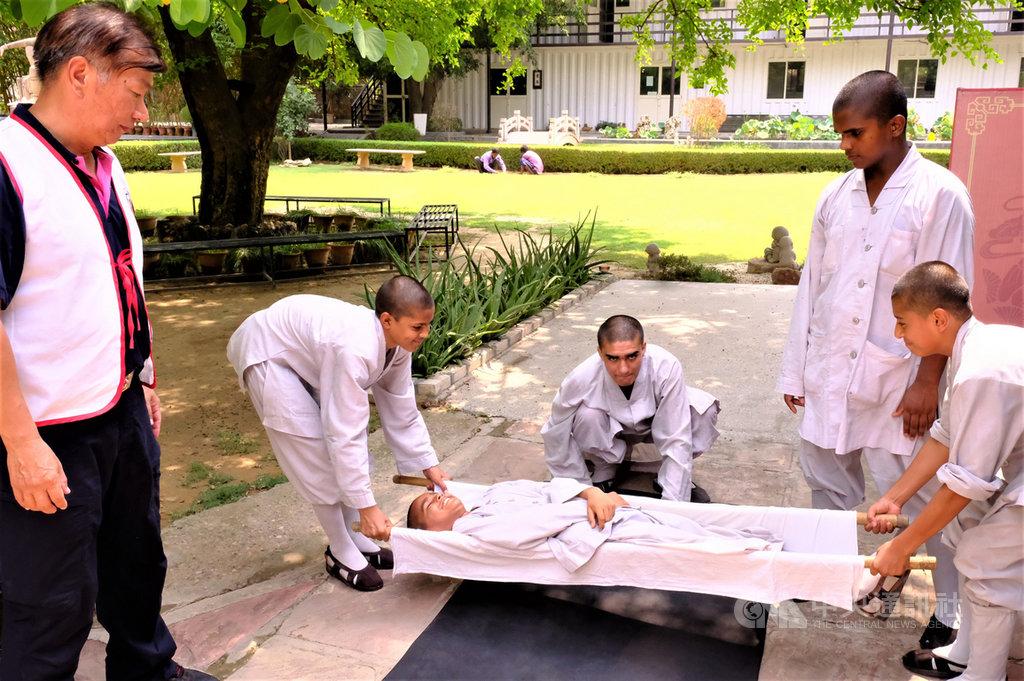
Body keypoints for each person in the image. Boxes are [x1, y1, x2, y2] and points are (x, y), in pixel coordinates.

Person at [0, 4, 215, 679]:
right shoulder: (9, 166)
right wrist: (20, 443)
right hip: (49, 431)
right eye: (137, 92)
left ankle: (146, 669)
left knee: (136, 563)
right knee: (50, 599)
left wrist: (142, 377)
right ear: (81, 73)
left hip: (119, 411)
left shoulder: (106, 165)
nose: (143, 114)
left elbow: (118, 273)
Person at [776, 70, 974, 647]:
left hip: (900, 379)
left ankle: (951, 607)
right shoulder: (834, 195)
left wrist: (926, 382)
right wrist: (796, 367)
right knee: (827, 485)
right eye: (840, 135)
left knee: (916, 496)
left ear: (895, 126)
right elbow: (814, 284)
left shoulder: (940, 195)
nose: (845, 146)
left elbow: (950, 304)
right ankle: (839, 578)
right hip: (830, 368)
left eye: (855, 134)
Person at [227, 276, 451, 592]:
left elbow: (401, 405)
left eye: (428, 325)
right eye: (418, 327)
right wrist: (367, 506)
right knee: (314, 452)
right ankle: (339, 548)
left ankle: (356, 535)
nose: (425, 334)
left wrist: (428, 463)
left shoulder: (397, 346)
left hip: (303, 355)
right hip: (267, 354)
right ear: (387, 320)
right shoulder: (353, 348)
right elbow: (345, 431)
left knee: (340, 453)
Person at [865, 262, 1022, 680]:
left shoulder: (980, 370)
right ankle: (966, 652)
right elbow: (945, 437)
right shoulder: (969, 350)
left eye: (902, 323)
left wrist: (902, 547)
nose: (899, 335)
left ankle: (984, 676)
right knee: (964, 528)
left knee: (983, 556)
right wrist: (894, 498)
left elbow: (964, 484)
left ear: (938, 319)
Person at [406, 479, 780, 572]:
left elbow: (546, 487)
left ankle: (753, 538)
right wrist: (596, 505)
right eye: (429, 505)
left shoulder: (489, 497)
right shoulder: (475, 532)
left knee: (674, 522)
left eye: (433, 494)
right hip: (588, 529)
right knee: (672, 538)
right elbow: (535, 524)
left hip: (589, 512)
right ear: (432, 532)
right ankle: (757, 551)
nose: (437, 497)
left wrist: (589, 492)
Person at [542, 315, 719, 503]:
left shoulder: (667, 366)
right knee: (586, 415)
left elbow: (677, 436)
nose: (624, 369)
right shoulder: (580, 377)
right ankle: (604, 469)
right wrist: (577, 488)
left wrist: (674, 503)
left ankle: (669, 478)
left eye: (632, 356)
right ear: (600, 353)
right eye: (612, 358)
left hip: (656, 426)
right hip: (609, 433)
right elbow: (556, 431)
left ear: (643, 348)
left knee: (702, 411)